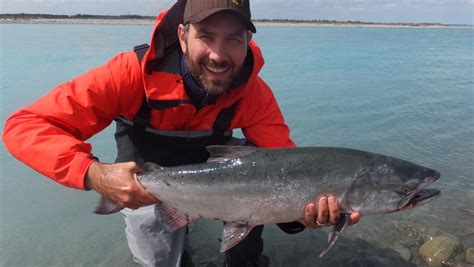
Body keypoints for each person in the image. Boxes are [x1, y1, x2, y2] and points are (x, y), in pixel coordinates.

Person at [2, 0, 360, 266]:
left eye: (234, 40)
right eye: (206, 36)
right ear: (182, 35)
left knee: (263, 187)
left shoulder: (254, 91)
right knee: (157, 252)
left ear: (247, 41)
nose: (219, 55)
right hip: (144, 176)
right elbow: (26, 126)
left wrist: (302, 215)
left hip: (224, 176)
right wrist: (94, 174)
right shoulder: (129, 73)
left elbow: (290, 169)